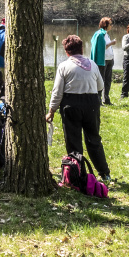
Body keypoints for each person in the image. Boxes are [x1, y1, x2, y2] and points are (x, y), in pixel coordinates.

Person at [46, 35, 109, 182]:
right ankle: (104, 173)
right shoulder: (92, 64)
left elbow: (57, 92)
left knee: (73, 141)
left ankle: (77, 173)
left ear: (67, 52)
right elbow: (100, 86)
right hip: (92, 104)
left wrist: (51, 111)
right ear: (82, 49)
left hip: (71, 105)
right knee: (93, 139)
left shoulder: (64, 66)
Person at [89, 18, 117, 106]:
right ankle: (98, 100)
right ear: (105, 25)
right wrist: (112, 43)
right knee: (100, 81)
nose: (111, 26)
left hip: (109, 60)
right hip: (102, 61)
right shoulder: (100, 34)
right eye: (110, 24)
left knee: (108, 80)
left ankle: (106, 99)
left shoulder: (106, 34)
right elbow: (101, 48)